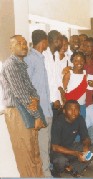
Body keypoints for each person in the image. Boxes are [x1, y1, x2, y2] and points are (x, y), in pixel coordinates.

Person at [0, 35, 46, 177]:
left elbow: (32, 90)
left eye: (25, 43)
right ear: (11, 47)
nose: (24, 46)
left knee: (35, 153)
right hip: (17, 113)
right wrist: (37, 115)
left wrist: (36, 100)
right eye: (19, 43)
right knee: (25, 155)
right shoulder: (11, 65)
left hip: (28, 111)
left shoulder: (21, 64)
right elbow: (21, 94)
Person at [24, 30, 53, 177]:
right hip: (40, 112)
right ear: (44, 41)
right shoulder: (31, 59)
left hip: (47, 110)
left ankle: (45, 172)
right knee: (42, 147)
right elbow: (27, 86)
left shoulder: (40, 58)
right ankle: (46, 175)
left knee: (45, 145)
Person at [51, 100, 93, 177]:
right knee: (61, 161)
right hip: (57, 152)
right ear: (64, 111)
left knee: (92, 149)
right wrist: (76, 153)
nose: (74, 112)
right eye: (70, 109)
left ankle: (72, 168)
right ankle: (56, 170)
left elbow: (86, 137)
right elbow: (55, 147)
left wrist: (86, 146)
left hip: (70, 147)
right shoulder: (58, 122)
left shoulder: (80, 119)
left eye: (76, 109)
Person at [62, 52, 87, 119]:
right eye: (76, 60)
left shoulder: (86, 74)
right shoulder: (68, 74)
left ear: (84, 61)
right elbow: (63, 90)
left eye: (81, 60)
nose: (79, 63)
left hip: (82, 106)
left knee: (80, 126)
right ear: (72, 61)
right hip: (70, 106)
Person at [43, 30, 63, 113]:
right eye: (61, 40)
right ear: (56, 41)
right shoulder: (44, 55)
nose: (62, 43)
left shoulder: (57, 55)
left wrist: (61, 95)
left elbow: (57, 78)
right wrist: (55, 99)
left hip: (57, 100)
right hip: (49, 100)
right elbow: (48, 80)